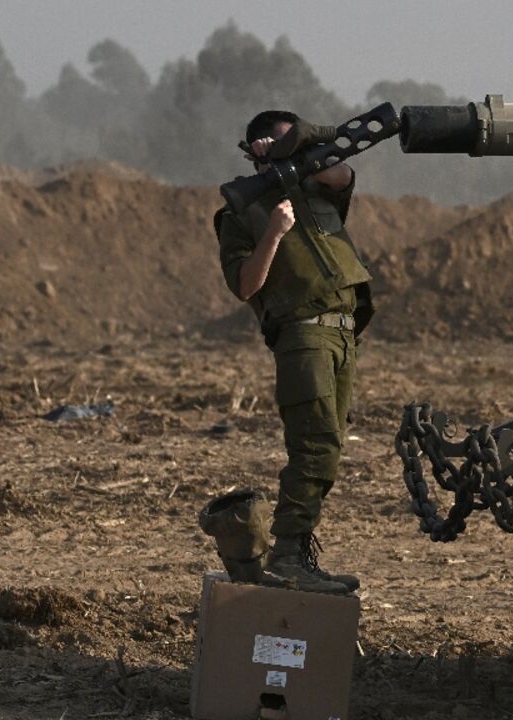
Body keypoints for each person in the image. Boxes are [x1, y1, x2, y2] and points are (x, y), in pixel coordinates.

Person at [213, 110, 373, 594]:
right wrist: (274, 233)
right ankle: (286, 554)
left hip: (344, 333)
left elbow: (341, 170)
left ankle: (295, 551)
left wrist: (304, 142)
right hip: (304, 334)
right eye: (282, 147)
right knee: (314, 445)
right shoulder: (242, 212)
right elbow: (245, 285)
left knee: (329, 447)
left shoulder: (319, 187)